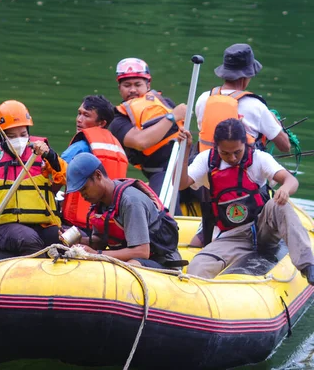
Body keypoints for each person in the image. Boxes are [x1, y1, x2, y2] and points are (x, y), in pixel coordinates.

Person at [177, 119, 314, 284]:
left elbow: (291, 180)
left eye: (237, 152)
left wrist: (284, 189)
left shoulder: (260, 158)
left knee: (279, 205)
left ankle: (308, 266)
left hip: (263, 228)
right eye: (225, 153)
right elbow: (180, 183)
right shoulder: (206, 160)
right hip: (231, 236)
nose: (232, 158)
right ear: (216, 147)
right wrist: (183, 151)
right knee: (197, 267)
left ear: (246, 144)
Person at [0, 100, 67, 259]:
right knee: (28, 240)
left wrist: (51, 156)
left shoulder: (43, 160)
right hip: (5, 228)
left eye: (23, 134)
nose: (18, 140)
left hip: (42, 225)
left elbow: (68, 178)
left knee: (63, 240)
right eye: (11, 136)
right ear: (0, 136)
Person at [65, 152, 182, 269]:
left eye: (84, 188)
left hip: (162, 262)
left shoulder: (131, 201)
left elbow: (142, 252)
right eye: (80, 191)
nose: (83, 195)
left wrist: (96, 255)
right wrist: (79, 240)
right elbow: (100, 241)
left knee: (130, 265)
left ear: (98, 175)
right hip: (133, 258)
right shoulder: (99, 203)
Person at [108, 57, 187, 199]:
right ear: (119, 88)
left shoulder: (165, 103)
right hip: (161, 171)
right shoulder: (118, 119)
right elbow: (141, 142)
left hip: (187, 164)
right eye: (127, 85)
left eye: (137, 84)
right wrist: (172, 117)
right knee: (162, 210)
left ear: (148, 85)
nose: (132, 90)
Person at [195, 43, 290, 153]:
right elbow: (285, 146)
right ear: (247, 75)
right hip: (241, 169)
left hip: (207, 166)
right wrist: (273, 119)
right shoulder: (256, 106)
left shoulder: (204, 99)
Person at [60, 95, 128, 229]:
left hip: (77, 224)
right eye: (79, 114)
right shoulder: (118, 149)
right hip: (106, 223)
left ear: (101, 123)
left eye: (86, 115)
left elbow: (57, 174)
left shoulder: (80, 146)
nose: (79, 120)